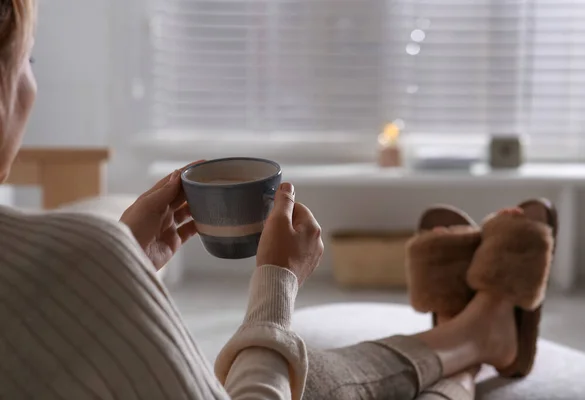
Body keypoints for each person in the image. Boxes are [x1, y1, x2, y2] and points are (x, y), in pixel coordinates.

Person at [0, 1, 556, 399]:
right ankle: (477, 333)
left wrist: (120, 273)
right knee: (309, 379)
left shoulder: (61, 262)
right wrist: (277, 283)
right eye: (29, 60)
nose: (33, 85)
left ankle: (468, 346)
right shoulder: (70, 256)